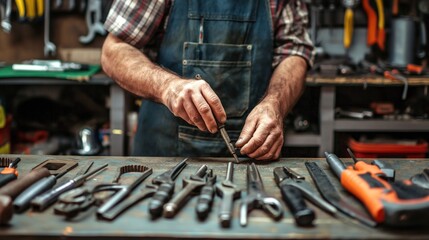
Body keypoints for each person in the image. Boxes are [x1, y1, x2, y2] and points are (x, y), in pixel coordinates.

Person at [101, 0, 315, 160]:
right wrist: (168, 86)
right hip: (165, 156)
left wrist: (275, 104)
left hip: (254, 157)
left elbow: (294, 52)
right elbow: (114, 50)